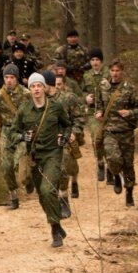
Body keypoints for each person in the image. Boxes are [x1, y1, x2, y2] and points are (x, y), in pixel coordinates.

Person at [8, 72, 73, 247]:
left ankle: (54, 229)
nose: (36, 89)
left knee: (47, 190)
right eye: (33, 86)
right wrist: (22, 136)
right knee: (42, 196)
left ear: (44, 88)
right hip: (34, 156)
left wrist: (64, 137)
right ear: (29, 89)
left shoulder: (55, 107)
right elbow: (12, 132)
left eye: (39, 85)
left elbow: (67, 125)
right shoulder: (24, 109)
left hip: (53, 153)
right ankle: (57, 225)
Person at [95, 60, 138, 207]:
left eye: (118, 71)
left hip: (126, 131)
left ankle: (129, 192)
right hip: (109, 130)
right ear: (109, 71)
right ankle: (115, 175)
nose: (115, 73)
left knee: (128, 163)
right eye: (112, 70)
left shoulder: (129, 89)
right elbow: (98, 105)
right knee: (113, 157)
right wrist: (98, 113)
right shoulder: (103, 87)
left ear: (122, 72)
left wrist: (129, 112)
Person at [0, 63, 29, 210]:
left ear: (17, 79)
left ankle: (28, 180)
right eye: (6, 77)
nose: (9, 80)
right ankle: (14, 196)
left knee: (19, 161)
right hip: (7, 133)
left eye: (12, 77)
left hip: (22, 133)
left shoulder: (26, 94)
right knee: (6, 165)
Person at [50, 64, 86, 218]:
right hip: (49, 141)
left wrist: (74, 133)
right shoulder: (42, 99)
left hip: (66, 138)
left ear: (63, 84)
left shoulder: (69, 98)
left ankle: (64, 200)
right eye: (53, 84)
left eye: (59, 84)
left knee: (66, 168)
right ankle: (54, 200)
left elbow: (79, 118)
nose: (56, 88)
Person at [80, 49, 108, 183]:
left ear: (101, 61)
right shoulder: (86, 76)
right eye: (92, 60)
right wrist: (86, 98)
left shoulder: (108, 73)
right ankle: (100, 163)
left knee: (108, 140)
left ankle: (112, 169)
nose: (95, 62)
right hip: (92, 112)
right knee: (96, 138)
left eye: (97, 60)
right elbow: (81, 92)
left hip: (107, 112)